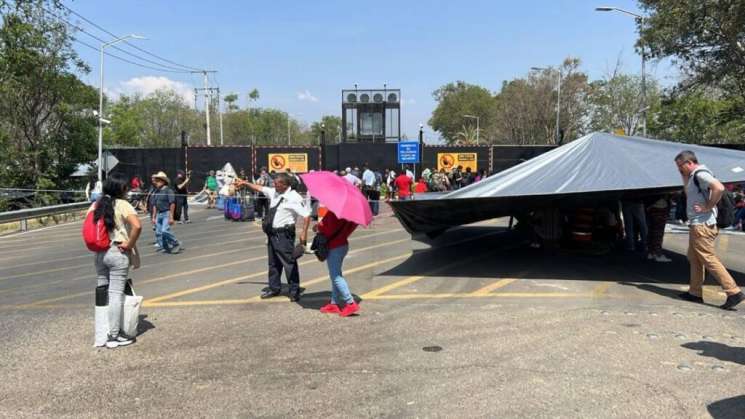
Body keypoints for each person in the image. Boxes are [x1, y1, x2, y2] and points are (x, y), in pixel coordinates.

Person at [674, 151, 744, 309]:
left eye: (681, 166)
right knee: (694, 257)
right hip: (697, 224)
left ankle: (733, 292)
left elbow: (718, 187)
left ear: (690, 163)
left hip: (702, 225)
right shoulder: (693, 176)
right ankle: (695, 292)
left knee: (708, 258)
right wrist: (684, 176)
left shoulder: (700, 174)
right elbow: (688, 192)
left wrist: (708, 206)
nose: (679, 169)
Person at [235, 173, 311, 302]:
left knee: (289, 263)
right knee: (273, 263)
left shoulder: (294, 197)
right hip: (272, 234)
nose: (274, 186)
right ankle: (274, 288)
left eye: (277, 184)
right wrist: (245, 183)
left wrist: (304, 232)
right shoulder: (274, 192)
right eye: (274, 184)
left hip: (284, 235)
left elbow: (306, 215)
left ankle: (294, 290)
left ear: (285, 185)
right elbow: (259, 188)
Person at [89, 173, 142, 348]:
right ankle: (114, 335)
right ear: (120, 188)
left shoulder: (96, 205)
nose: (128, 190)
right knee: (115, 295)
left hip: (99, 253)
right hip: (117, 252)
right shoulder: (122, 204)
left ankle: (101, 334)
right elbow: (137, 226)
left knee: (102, 292)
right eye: (126, 187)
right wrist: (129, 244)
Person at [316, 210, 360, 317]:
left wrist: (318, 226)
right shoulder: (352, 213)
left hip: (334, 246)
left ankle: (350, 303)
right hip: (342, 244)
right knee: (336, 274)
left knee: (335, 276)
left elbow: (326, 228)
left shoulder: (334, 212)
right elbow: (352, 226)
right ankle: (334, 303)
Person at [151, 171, 181, 254]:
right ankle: (165, 247)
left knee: (164, 230)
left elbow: (172, 203)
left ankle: (175, 243)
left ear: (163, 181)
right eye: (156, 180)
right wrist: (153, 217)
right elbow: (154, 205)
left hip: (166, 213)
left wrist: (171, 216)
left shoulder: (168, 191)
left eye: (158, 180)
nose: (156, 182)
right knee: (158, 232)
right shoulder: (156, 191)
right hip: (159, 214)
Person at [646, 196, 672, 262]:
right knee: (658, 232)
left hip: (651, 206)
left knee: (652, 230)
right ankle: (657, 254)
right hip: (660, 205)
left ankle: (651, 252)